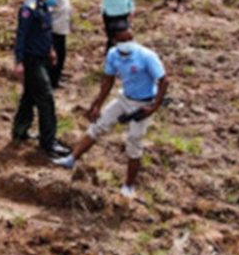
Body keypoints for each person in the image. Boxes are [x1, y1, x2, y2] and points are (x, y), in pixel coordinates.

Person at [53, 29, 168, 198]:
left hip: (143, 103)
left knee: (134, 141)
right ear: (115, 41)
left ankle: (129, 185)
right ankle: (72, 159)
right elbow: (108, 80)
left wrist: (154, 107)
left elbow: (164, 81)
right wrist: (97, 103)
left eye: (129, 38)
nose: (127, 42)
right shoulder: (113, 54)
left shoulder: (146, 56)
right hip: (124, 98)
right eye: (122, 40)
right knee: (98, 125)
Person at [12, 0, 71, 157]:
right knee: (46, 98)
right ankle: (48, 142)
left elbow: (45, 32)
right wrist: (19, 62)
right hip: (31, 60)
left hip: (42, 57)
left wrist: (51, 49)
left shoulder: (45, 7)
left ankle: (20, 131)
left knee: (29, 95)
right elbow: (21, 36)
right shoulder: (28, 9)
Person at [39, 0, 73, 89]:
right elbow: (48, 1)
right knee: (56, 52)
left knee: (59, 51)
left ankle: (56, 77)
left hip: (60, 20)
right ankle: (52, 80)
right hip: (54, 21)